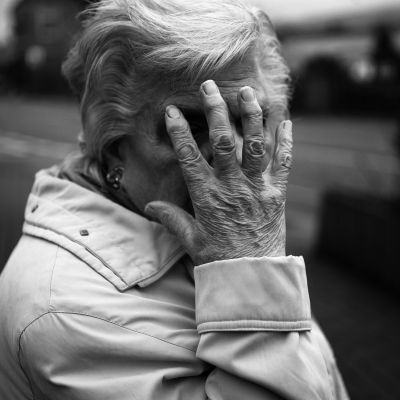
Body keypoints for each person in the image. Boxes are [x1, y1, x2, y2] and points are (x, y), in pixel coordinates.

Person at [0, 0, 349, 399]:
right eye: (192, 125)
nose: (233, 153)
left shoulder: (215, 234)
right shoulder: (66, 311)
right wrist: (251, 265)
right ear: (113, 147)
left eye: (252, 119)